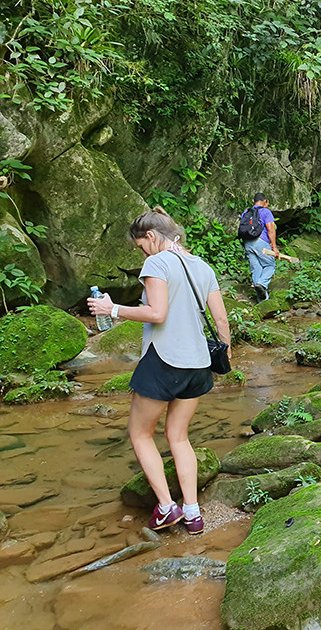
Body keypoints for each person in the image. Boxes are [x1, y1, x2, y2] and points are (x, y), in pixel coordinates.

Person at [87, 207, 230, 534]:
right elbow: (221, 320)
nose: (141, 252)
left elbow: (157, 313)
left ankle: (167, 507)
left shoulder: (157, 262)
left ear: (151, 236)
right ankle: (192, 513)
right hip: (198, 365)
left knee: (139, 433)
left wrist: (113, 309)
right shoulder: (202, 265)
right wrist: (225, 354)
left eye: (140, 246)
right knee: (179, 436)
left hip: (165, 361)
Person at [242, 192, 279, 301]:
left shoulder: (246, 212)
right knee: (270, 265)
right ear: (264, 201)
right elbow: (271, 229)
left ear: (253, 201)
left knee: (256, 268)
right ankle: (262, 284)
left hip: (248, 242)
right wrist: (274, 247)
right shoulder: (265, 211)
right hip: (260, 242)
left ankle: (263, 301)